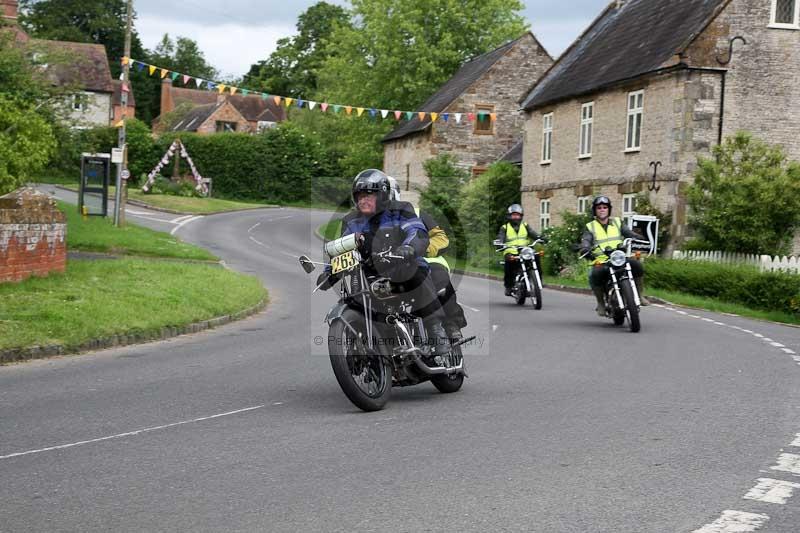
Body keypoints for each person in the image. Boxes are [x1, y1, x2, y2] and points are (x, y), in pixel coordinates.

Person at [317, 169, 451, 359]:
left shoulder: (401, 210)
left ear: (382, 195)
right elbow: (342, 248)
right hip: (370, 276)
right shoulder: (351, 220)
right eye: (359, 196)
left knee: (416, 271)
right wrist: (330, 271)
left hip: (400, 268)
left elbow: (416, 231)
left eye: (369, 195)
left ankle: (436, 331)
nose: (363, 200)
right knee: (354, 299)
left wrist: (409, 248)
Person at [386, 177, 467, 341]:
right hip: (392, 266)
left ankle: (451, 323)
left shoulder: (415, 213)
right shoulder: (369, 220)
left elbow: (441, 238)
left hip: (426, 260)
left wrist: (420, 249)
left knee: (439, 278)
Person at [579, 196, 650, 317]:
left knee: (637, 265)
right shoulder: (590, 226)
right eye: (599, 208)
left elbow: (628, 232)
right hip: (602, 260)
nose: (602, 210)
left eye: (605, 207)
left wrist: (637, 237)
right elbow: (586, 239)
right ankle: (601, 303)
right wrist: (585, 247)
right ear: (595, 210)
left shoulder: (617, 222)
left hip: (619, 257)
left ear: (609, 209)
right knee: (594, 274)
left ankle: (639, 295)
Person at [496, 204, 546, 296]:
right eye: (514, 215)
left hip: (525, 250)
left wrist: (541, 238)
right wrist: (499, 243)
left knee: (537, 257)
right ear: (509, 216)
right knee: (509, 263)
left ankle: (538, 281)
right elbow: (500, 237)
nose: (516, 217)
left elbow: (533, 234)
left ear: (521, 216)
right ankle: (509, 286)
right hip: (511, 250)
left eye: (518, 215)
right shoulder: (505, 227)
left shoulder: (525, 225)